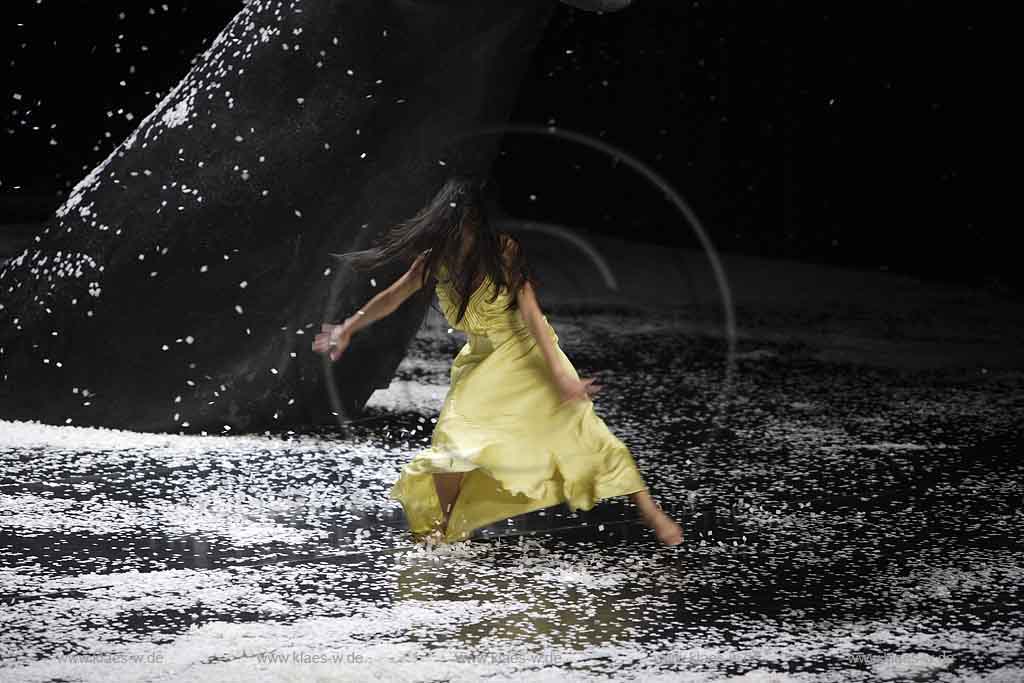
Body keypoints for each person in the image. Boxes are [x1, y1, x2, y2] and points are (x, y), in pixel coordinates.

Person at [313, 176, 683, 546]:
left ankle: (651, 513)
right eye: (449, 227)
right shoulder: (435, 261)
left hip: (527, 356)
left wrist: (561, 376)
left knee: (583, 434)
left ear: (475, 222)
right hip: (482, 361)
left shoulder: (503, 252)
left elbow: (533, 315)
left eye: (462, 225)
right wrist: (349, 326)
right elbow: (391, 298)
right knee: (453, 440)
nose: (456, 236)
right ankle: (443, 527)